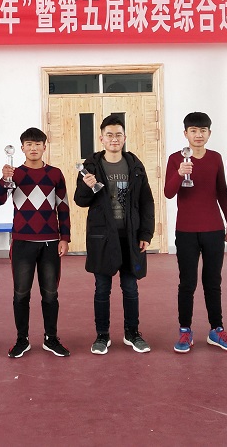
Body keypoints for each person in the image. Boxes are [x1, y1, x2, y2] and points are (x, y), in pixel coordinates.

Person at [75, 115, 155, 355]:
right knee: (102, 288)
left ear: (124, 137)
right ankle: (102, 335)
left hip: (130, 237)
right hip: (102, 238)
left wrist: (146, 233)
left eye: (118, 134)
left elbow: (147, 201)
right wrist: (87, 186)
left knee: (130, 288)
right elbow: (80, 200)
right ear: (101, 139)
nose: (114, 139)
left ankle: (132, 333)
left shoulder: (135, 166)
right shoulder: (90, 167)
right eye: (109, 135)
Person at [164, 111, 227, 353]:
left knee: (213, 281)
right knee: (187, 282)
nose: (198, 135)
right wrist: (180, 173)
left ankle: (216, 329)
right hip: (186, 230)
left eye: (203, 130)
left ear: (209, 133)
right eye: (194, 131)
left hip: (213, 229)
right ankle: (185, 330)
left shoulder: (215, 158)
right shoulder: (176, 159)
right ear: (185, 133)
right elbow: (168, 193)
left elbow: (222, 191)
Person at [0, 127, 72, 358]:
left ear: (44, 147)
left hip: (50, 242)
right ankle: (22, 339)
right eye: (29, 144)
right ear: (22, 148)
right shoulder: (14, 174)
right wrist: (4, 179)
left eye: (38, 144)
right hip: (22, 242)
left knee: (50, 293)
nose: (33, 148)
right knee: (21, 294)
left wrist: (65, 238)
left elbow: (63, 207)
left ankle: (51, 338)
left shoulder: (55, 174)